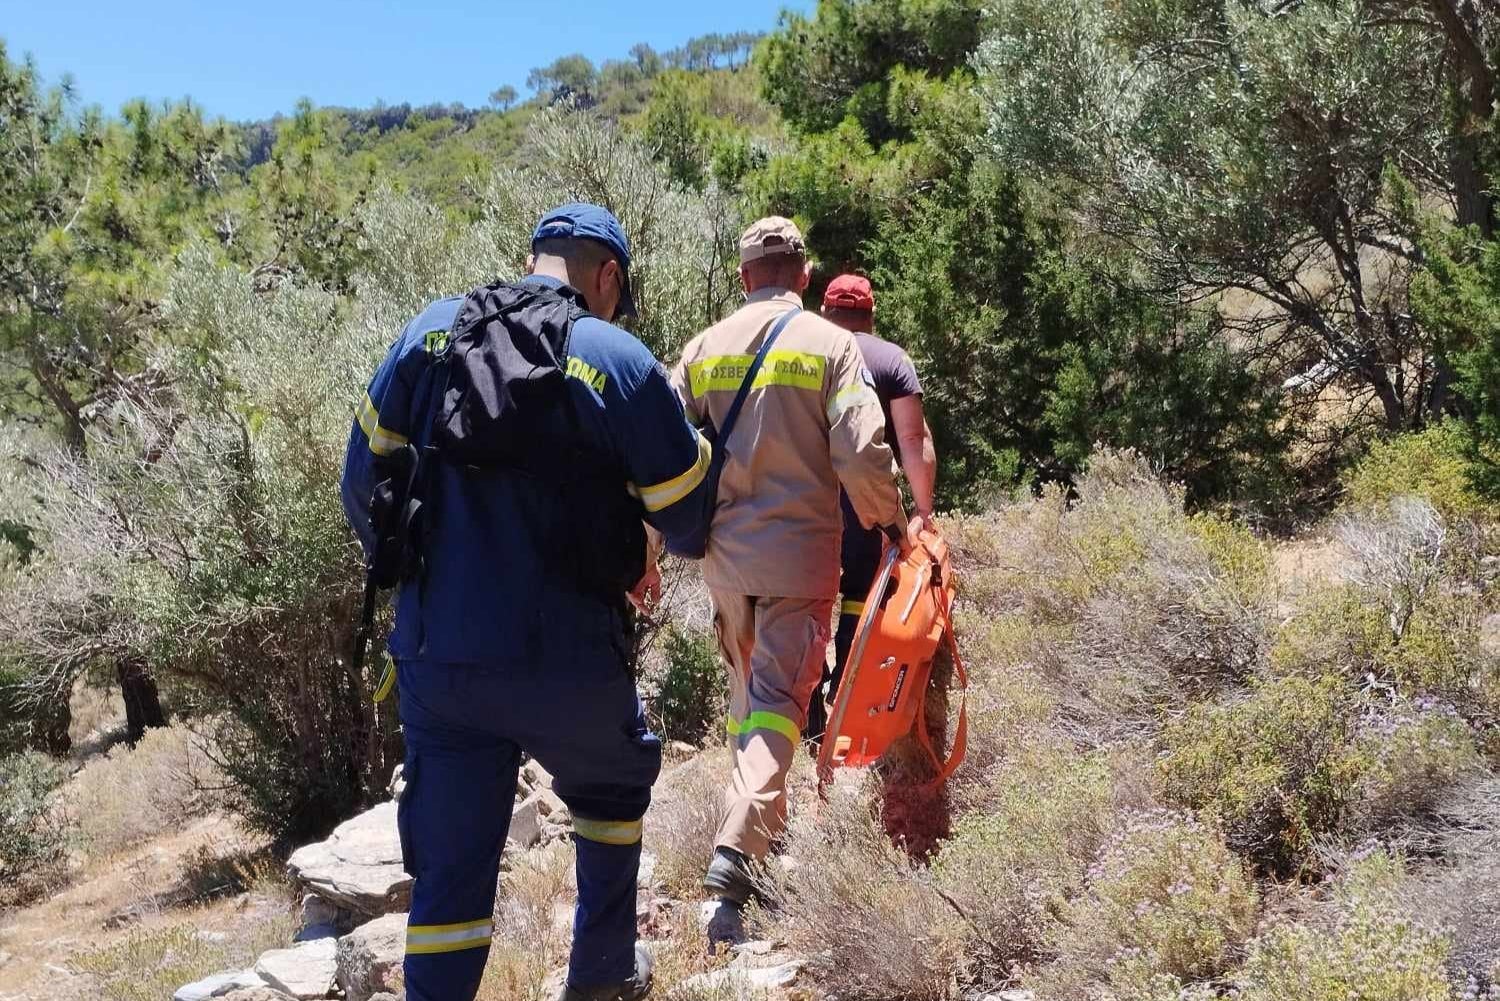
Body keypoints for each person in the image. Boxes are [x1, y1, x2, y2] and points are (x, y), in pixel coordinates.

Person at [341, 203, 713, 1001]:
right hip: (567, 657)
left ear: (536, 255)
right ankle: (602, 976)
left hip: (440, 658)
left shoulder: (429, 335)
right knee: (612, 790)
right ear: (606, 275)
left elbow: (358, 481)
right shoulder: (615, 358)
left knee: (451, 867)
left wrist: (416, 581)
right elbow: (686, 519)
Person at [669, 217, 917, 937]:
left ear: (744, 275)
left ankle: (761, 851)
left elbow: (656, 455)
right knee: (779, 705)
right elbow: (866, 453)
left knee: (750, 702)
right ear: (803, 276)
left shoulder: (702, 349)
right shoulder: (832, 345)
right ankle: (737, 847)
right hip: (801, 559)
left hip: (724, 563)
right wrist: (891, 523)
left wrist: (644, 553)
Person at [815, 274, 939, 726]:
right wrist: (922, 512)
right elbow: (913, 439)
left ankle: (807, 714)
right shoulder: (892, 360)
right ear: (870, 315)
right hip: (866, 500)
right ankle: (848, 695)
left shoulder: (807, 351)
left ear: (825, 312)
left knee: (809, 599)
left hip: (808, 501)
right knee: (859, 593)